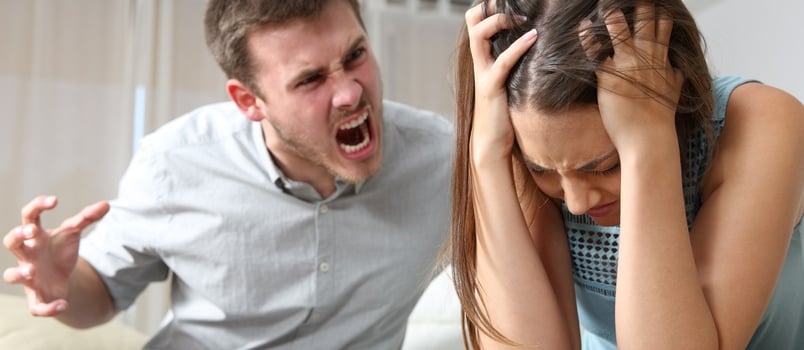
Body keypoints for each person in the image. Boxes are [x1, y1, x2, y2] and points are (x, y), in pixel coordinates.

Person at [2, 0, 453, 348]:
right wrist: (59, 284)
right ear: (248, 101)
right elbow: (98, 295)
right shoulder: (175, 164)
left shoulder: (441, 161)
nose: (351, 93)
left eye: (355, 55)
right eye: (311, 80)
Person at [449, 0, 804, 349]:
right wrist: (486, 155)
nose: (575, 202)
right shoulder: (529, 145)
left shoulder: (762, 124)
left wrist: (646, 145)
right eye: (541, 169)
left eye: (605, 166)